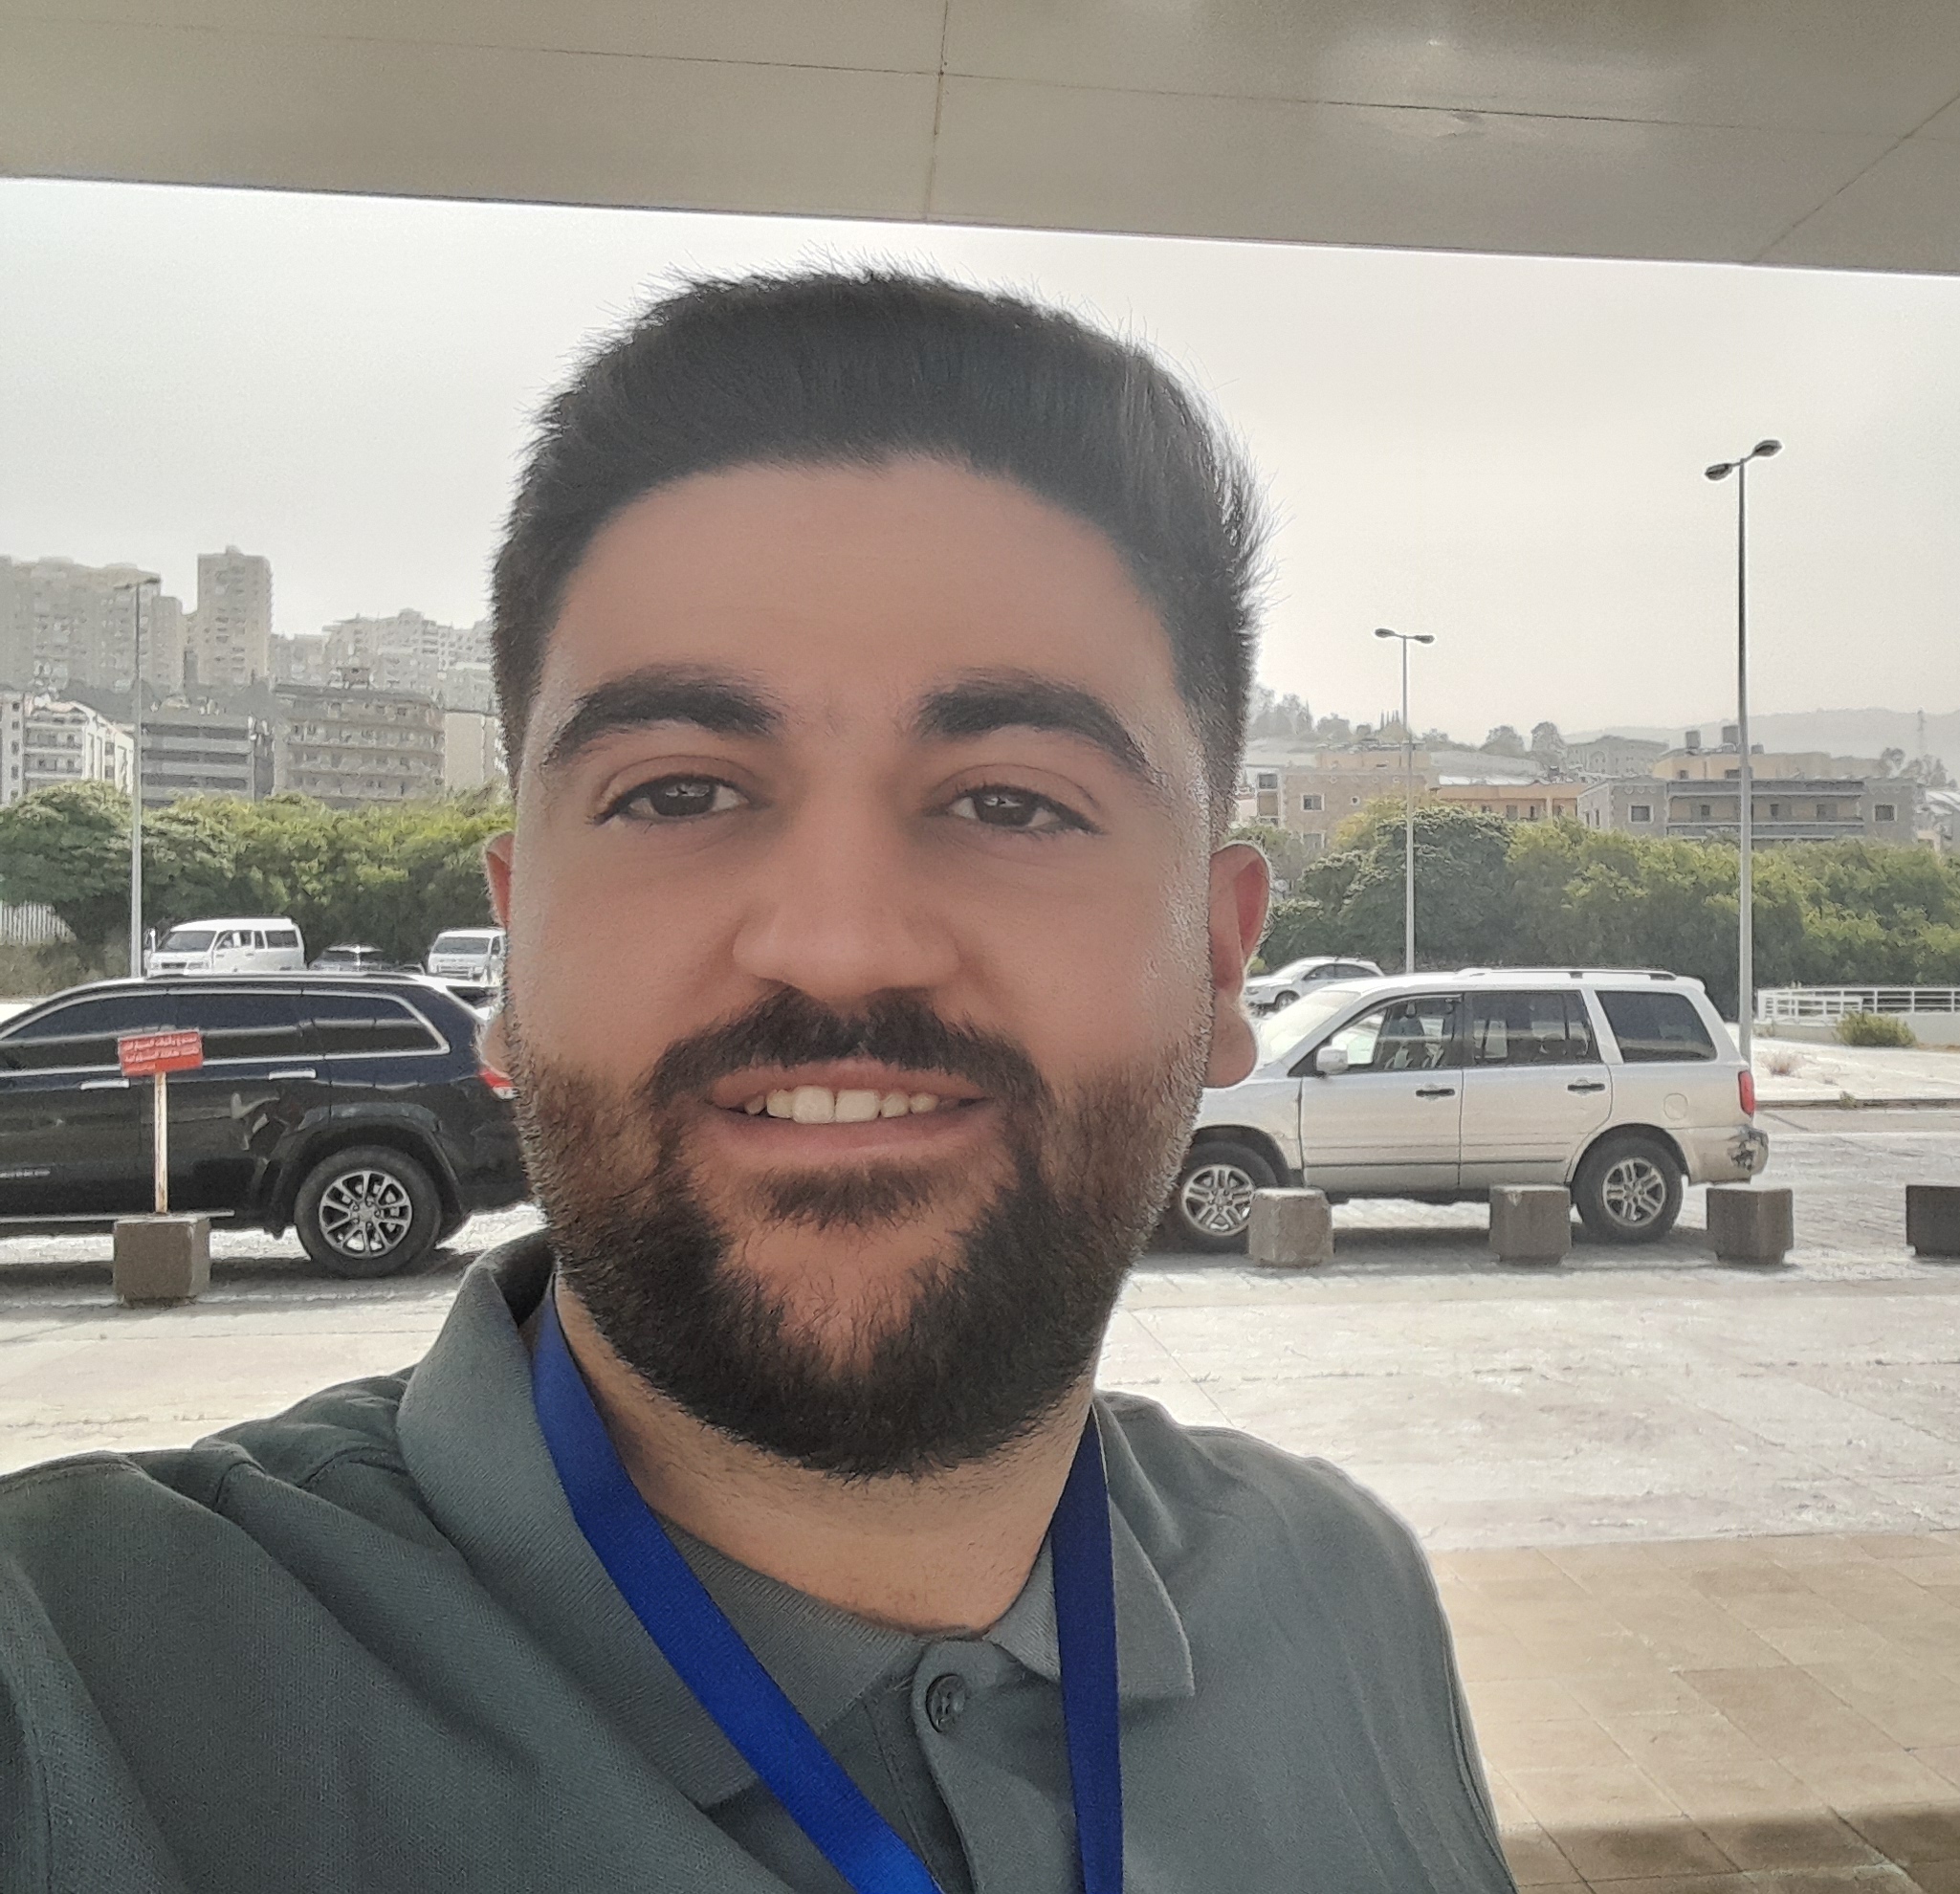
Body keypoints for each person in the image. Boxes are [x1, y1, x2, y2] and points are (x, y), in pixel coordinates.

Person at [0, 272, 1516, 1894]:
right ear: (514, 952)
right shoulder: (73, 1683)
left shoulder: (1347, 1604)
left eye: (1012, 802)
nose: (840, 945)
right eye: (679, 792)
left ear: (1218, 962)